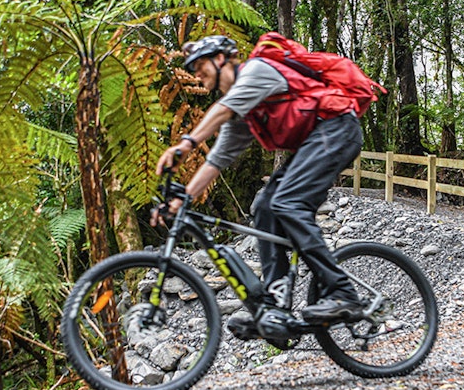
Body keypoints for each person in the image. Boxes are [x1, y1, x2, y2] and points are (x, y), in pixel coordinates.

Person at [153, 34, 364, 342]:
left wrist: (186, 143)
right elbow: (215, 161)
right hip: (315, 141)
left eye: (200, 65)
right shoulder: (242, 116)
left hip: (337, 128)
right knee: (265, 206)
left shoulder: (256, 72)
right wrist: (183, 198)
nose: (197, 74)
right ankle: (274, 305)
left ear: (221, 59)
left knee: (288, 203)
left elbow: (222, 110)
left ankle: (343, 293)